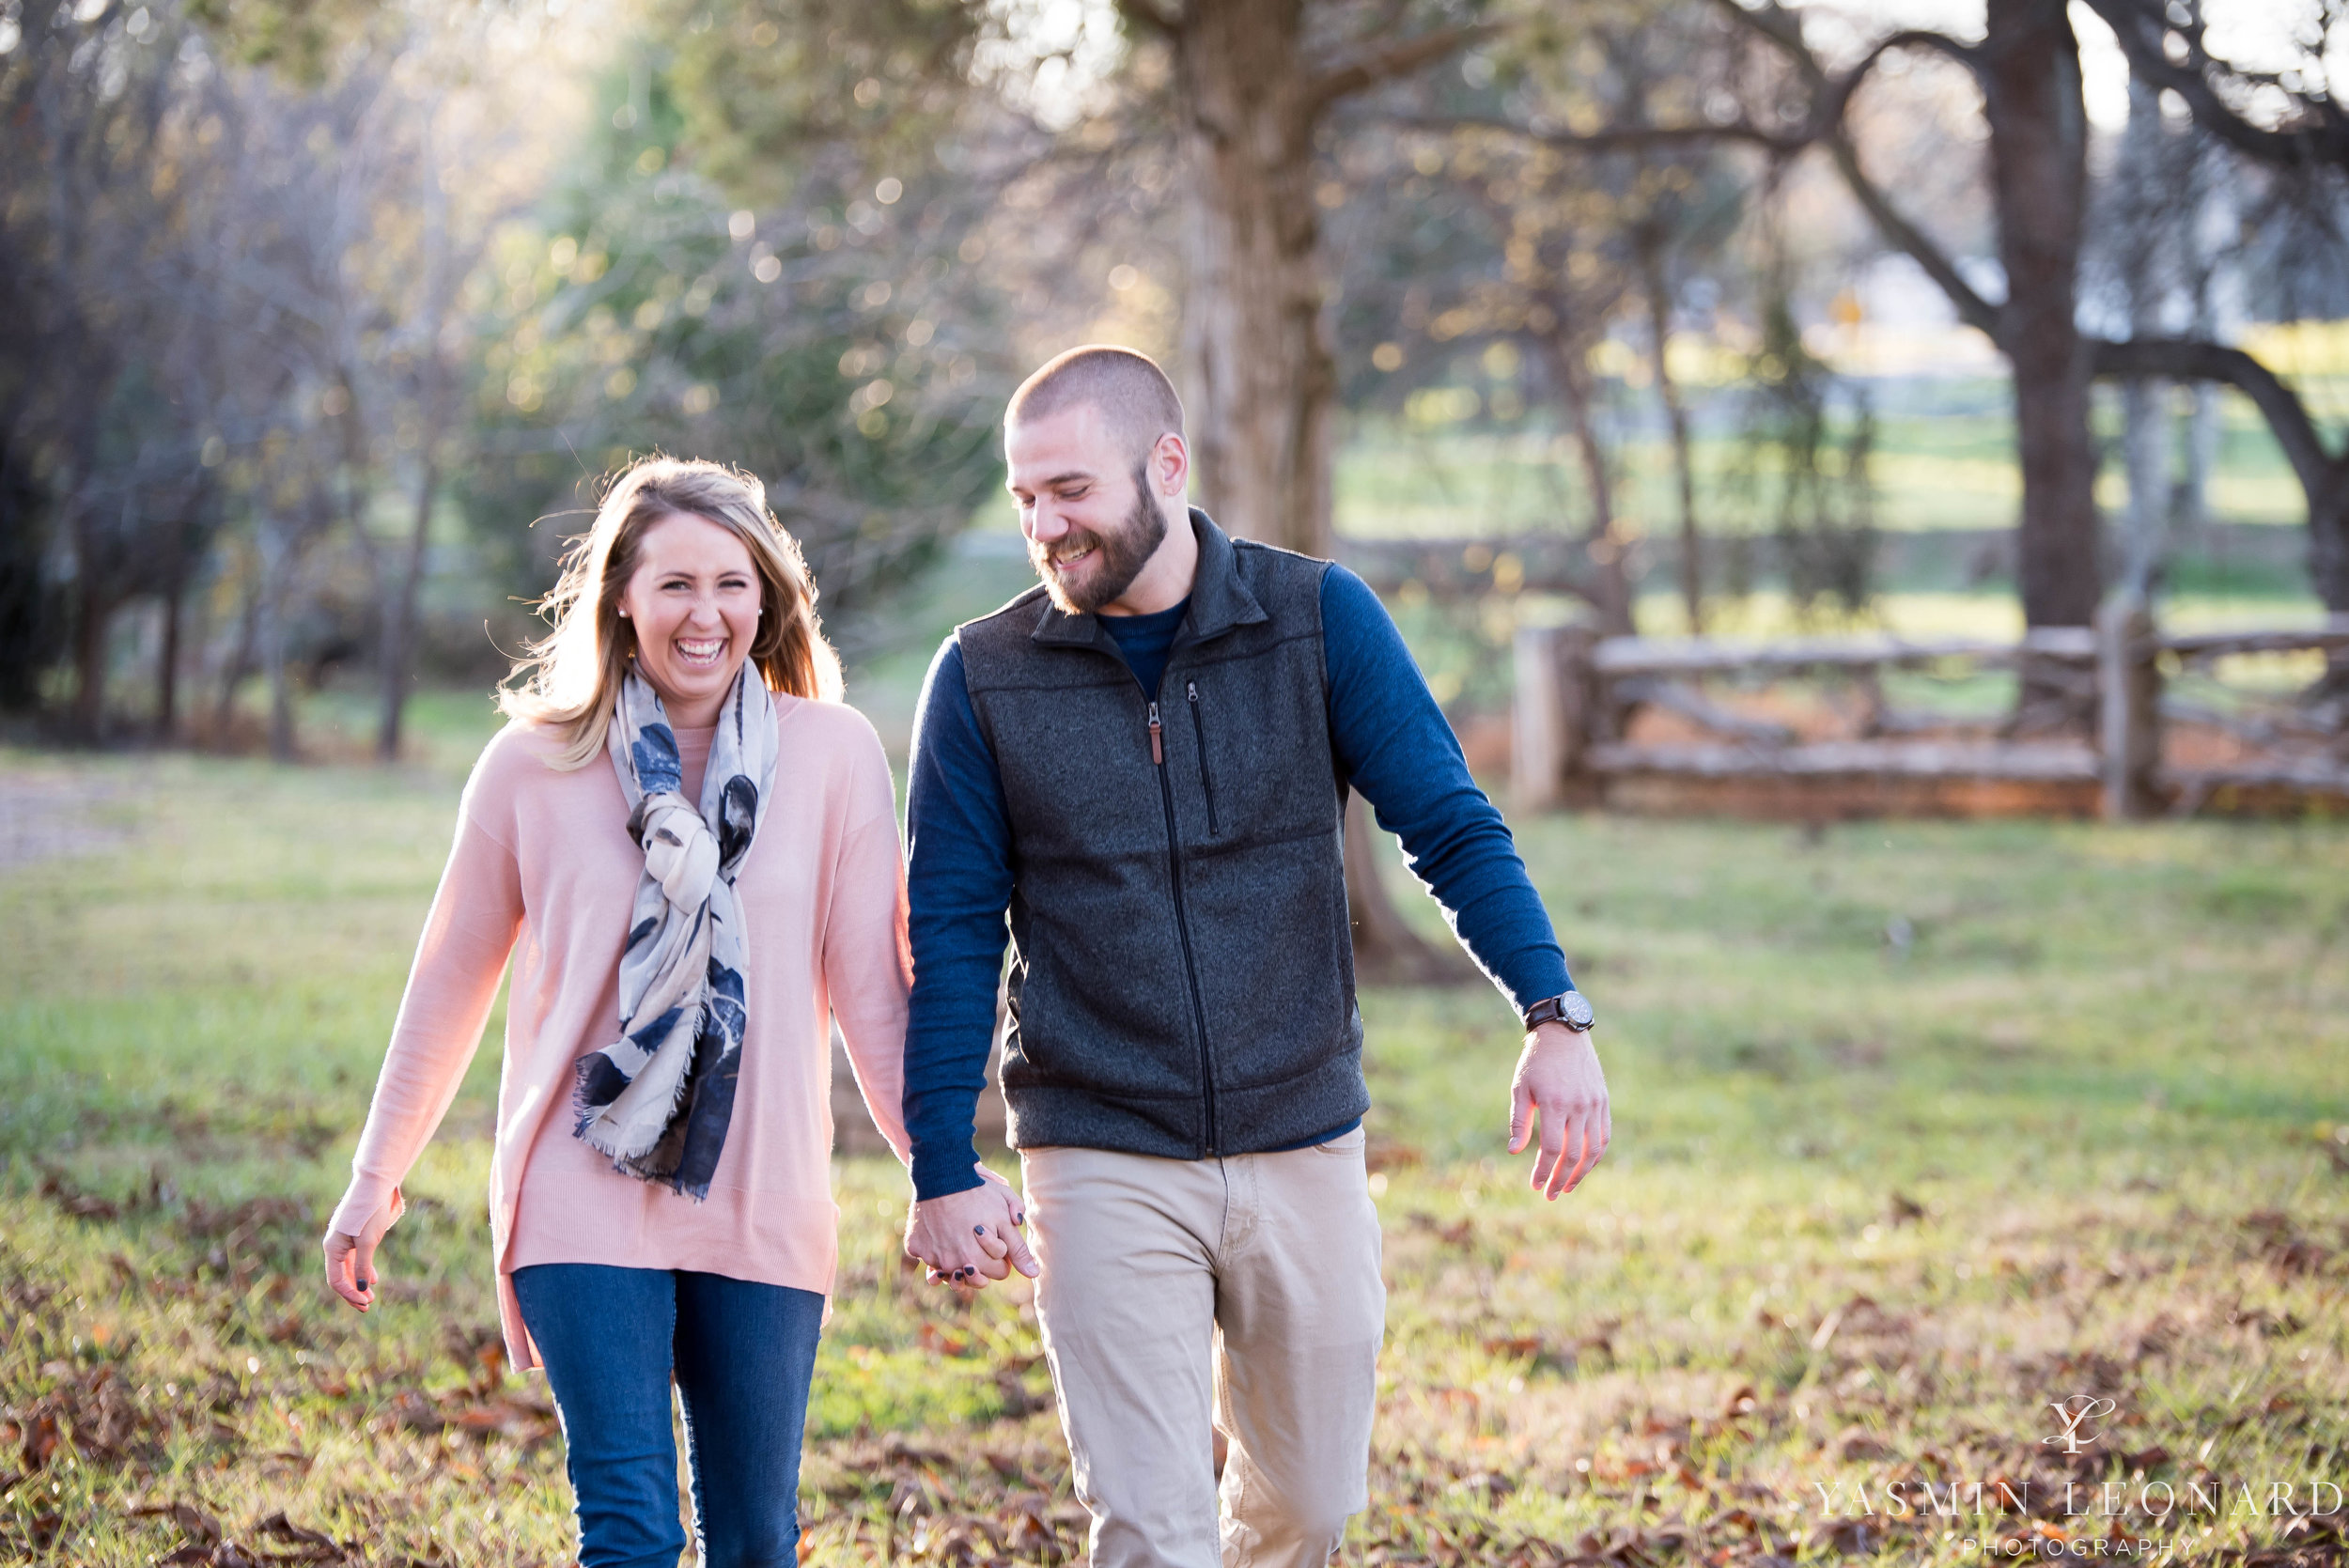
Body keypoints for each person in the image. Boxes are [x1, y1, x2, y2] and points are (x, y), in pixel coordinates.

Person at [898, 346, 1612, 1568]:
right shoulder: (983, 677)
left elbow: (1446, 822)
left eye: (1069, 490)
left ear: (1165, 463)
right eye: (1024, 499)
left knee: (1309, 1508)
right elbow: (954, 927)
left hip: (1303, 1136)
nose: (1045, 526)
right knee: (1149, 1525)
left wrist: (1553, 1011)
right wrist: (939, 1161)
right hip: (1099, 1141)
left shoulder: (1314, 618)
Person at [320, 458, 949, 1568]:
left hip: (762, 1189)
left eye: (731, 583)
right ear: (620, 593)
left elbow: (871, 991)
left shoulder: (835, 756)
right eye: (673, 585)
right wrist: (376, 1180)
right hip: (579, 1185)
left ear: (766, 597)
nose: (704, 614)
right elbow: (447, 983)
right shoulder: (531, 765)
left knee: (757, 1539)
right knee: (630, 1530)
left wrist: (938, 1171)